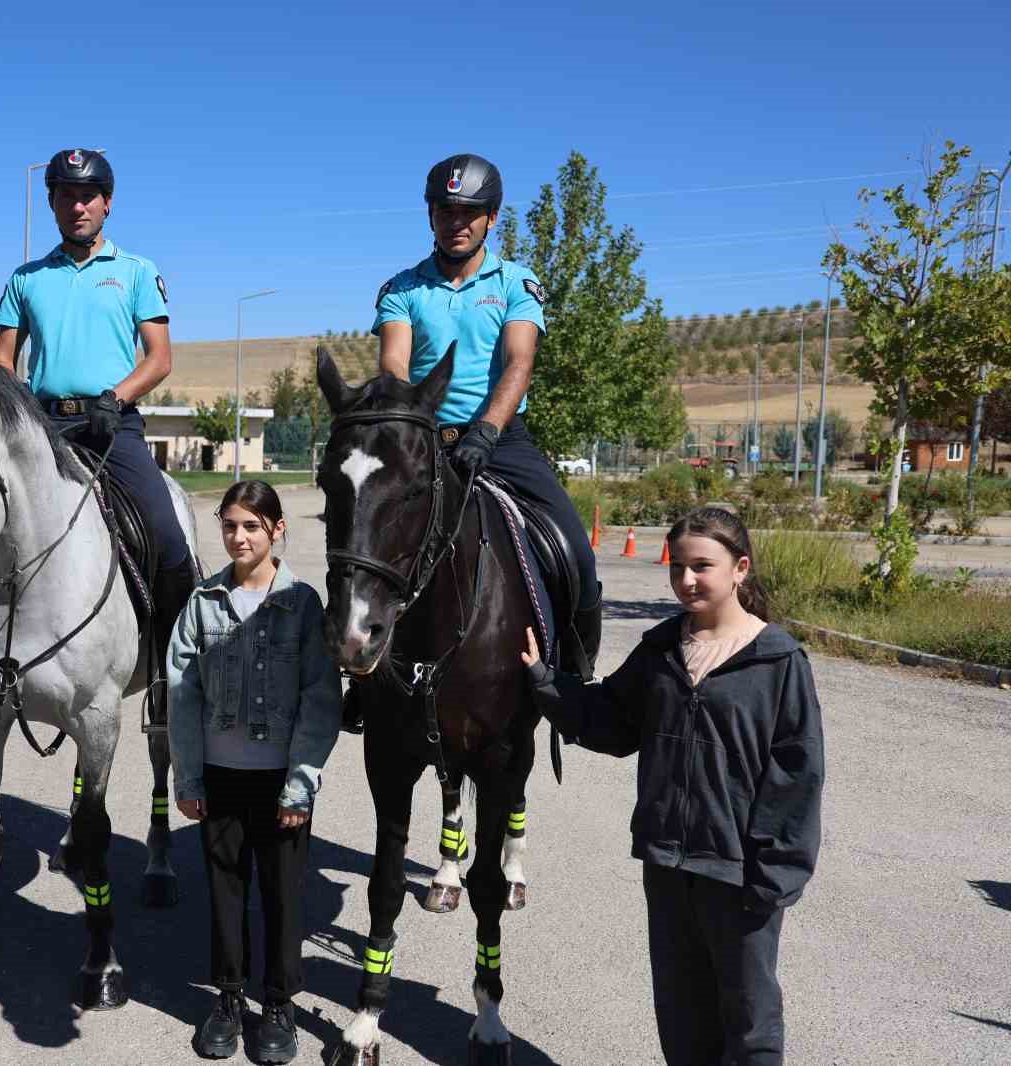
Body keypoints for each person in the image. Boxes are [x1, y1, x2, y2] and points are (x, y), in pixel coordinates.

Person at [520, 506, 824, 1065]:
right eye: (678, 567)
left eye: (702, 566)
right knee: (682, 1021)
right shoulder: (661, 650)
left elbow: (796, 777)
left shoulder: (778, 661)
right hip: (666, 865)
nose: (686, 580)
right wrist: (545, 681)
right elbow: (611, 719)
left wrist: (773, 878)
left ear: (740, 568)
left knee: (750, 1023)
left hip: (739, 876)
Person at [343, 153, 601, 735]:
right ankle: (365, 678)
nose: (456, 222)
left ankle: (576, 673)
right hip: (424, 444)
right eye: (446, 211)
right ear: (431, 216)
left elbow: (518, 362)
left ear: (491, 218)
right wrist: (412, 433)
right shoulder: (402, 290)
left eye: (470, 212)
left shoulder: (515, 283)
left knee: (576, 551)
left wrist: (486, 429)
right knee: (372, 547)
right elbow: (396, 372)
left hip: (501, 440)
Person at [0, 146, 193, 726]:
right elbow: (3, 362)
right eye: (66, 195)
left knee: (167, 536)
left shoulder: (137, 272)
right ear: (51, 202)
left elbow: (161, 357)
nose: (78, 205)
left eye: (88, 195)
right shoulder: (25, 279)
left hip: (112, 425)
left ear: (107, 203)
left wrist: (116, 397)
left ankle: (178, 671)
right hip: (42, 427)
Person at [167, 481, 341, 1063]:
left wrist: (300, 782)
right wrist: (188, 777)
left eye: (251, 526)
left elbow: (320, 698)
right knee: (224, 891)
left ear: (276, 530)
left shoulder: (301, 604)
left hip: (280, 782)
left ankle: (279, 1004)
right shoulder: (203, 602)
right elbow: (181, 695)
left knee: (283, 895)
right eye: (229, 525)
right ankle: (228, 998)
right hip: (220, 775)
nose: (238, 537)